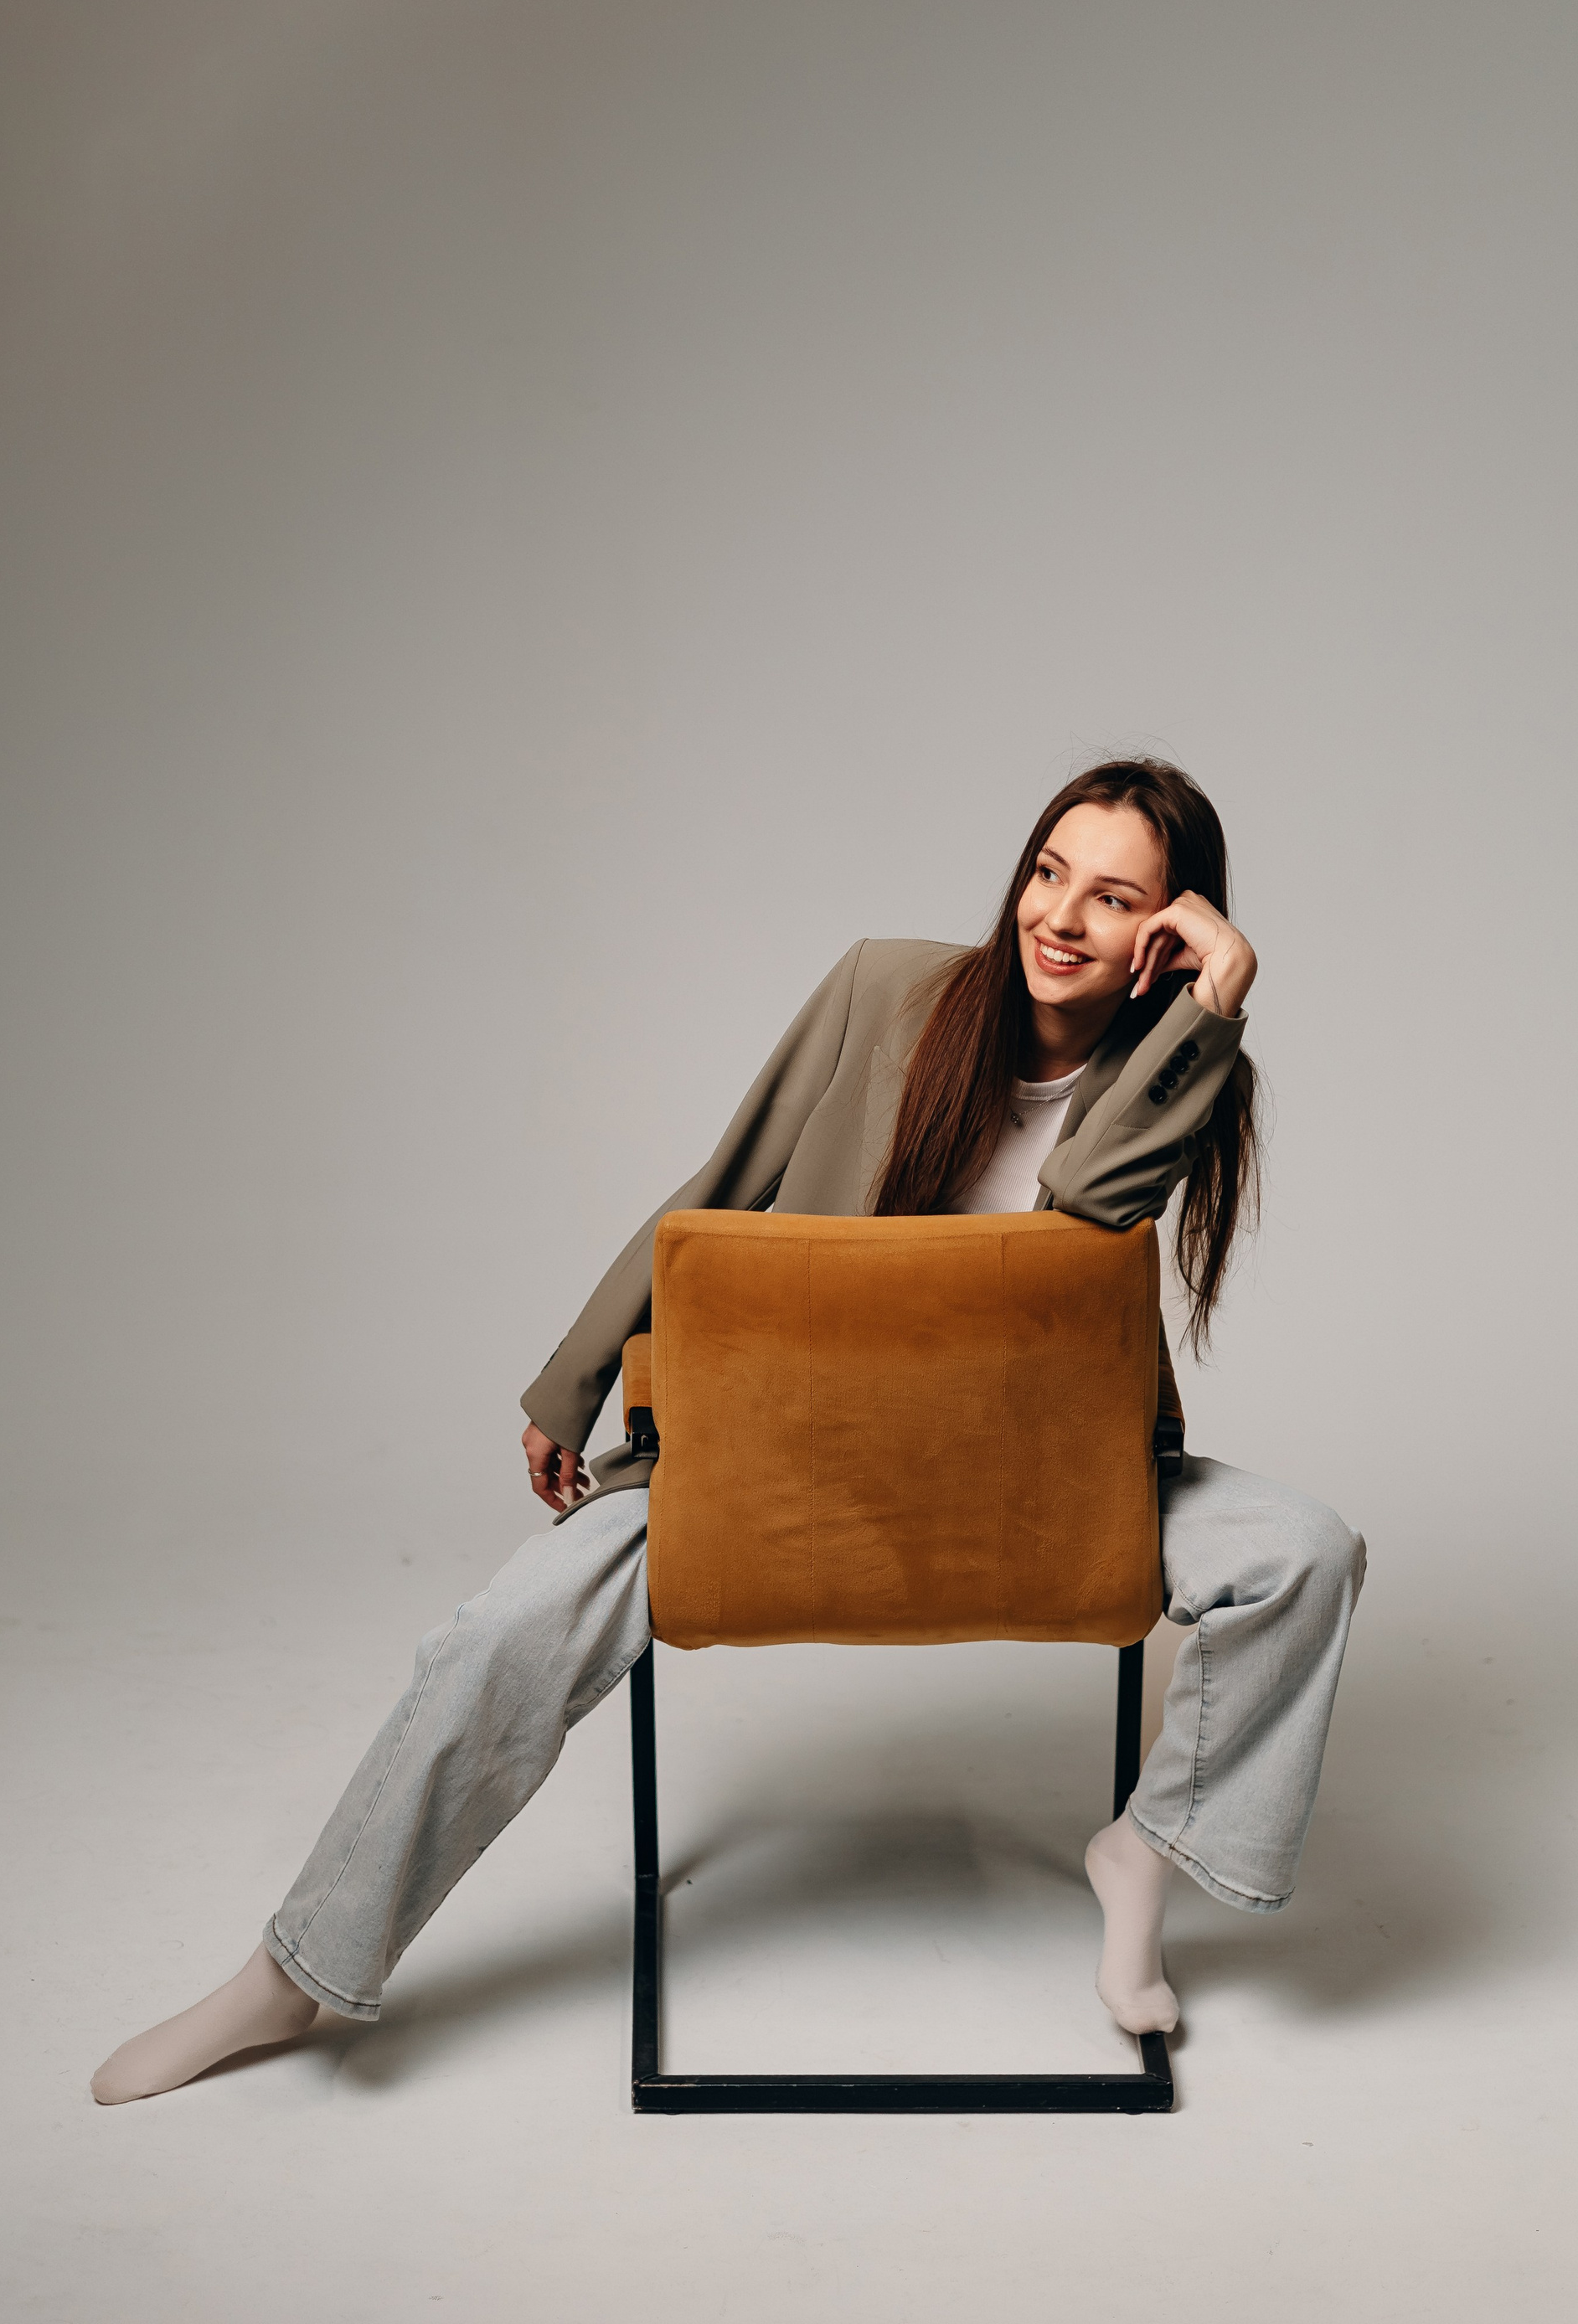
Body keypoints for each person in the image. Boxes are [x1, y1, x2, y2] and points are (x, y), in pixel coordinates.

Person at [91, 757, 1364, 2104]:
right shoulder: (886, 991)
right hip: (784, 1476)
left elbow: (1084, 1212)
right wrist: (574, 1379)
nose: (1059, 916)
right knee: (495, 1636)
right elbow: (724, 1187)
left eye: (1113, 899)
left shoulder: (1175, 1073)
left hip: (1034, 1493)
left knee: (1305, 1554)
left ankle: (1144, 1859)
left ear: (1169, 934)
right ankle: (292, 1973)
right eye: (1049, 872)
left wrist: (1217, 1003)